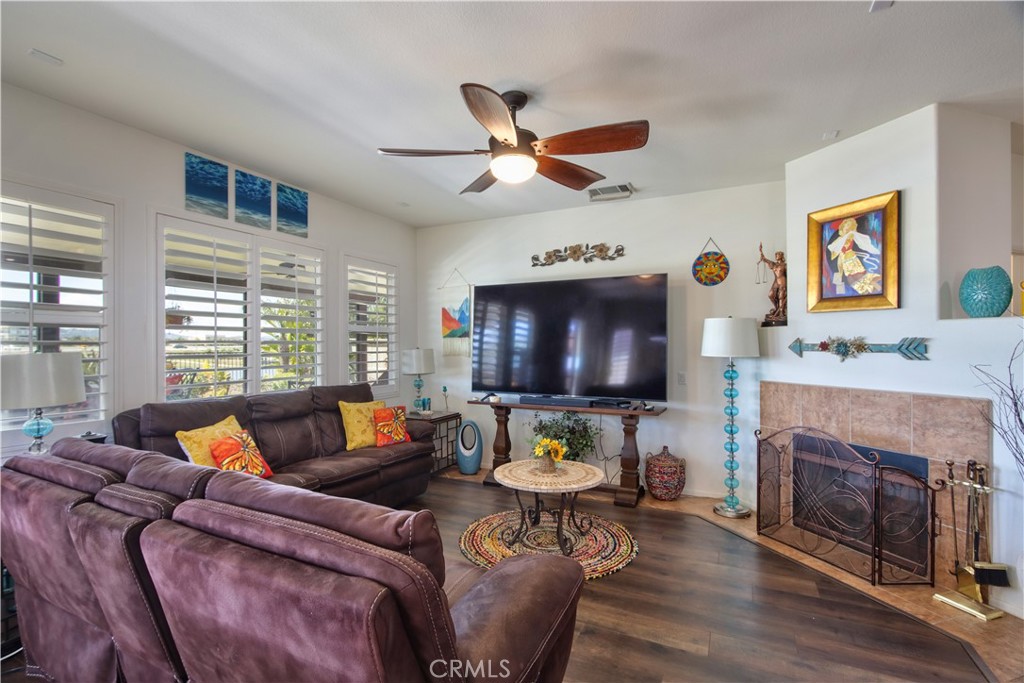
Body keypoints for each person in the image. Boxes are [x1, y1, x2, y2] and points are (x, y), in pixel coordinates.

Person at [759, 244, 787, 323]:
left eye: (778, 255)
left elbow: (788, 276)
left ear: (781, 256)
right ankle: (777, 308)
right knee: (770, 295)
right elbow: (764, 259)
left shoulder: (785, 265)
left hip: (782, 281)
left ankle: (781, 313)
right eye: (776, 255)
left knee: (781, 297)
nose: (776, 256)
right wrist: (761, 251)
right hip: (775, 282)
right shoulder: (774, 264)